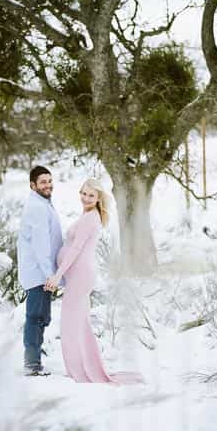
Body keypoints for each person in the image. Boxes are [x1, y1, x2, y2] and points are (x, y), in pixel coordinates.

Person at [45, 179, 143, 385]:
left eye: (91, 195)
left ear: (98, 198)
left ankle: (79, 371)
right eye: (83, 193)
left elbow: (75, 249)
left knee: (71, 324)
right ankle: (83, 368)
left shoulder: (90, 218)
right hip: (80, 274)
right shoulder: (88, 215)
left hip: (81, 275)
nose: (86, 198)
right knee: (80, 323)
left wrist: (57, 275)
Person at [17, 164, 63, 377]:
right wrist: (49, 275)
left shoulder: (43, 203)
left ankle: (35, 360)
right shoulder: (36, 207)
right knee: (35, 317)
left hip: (42, 273)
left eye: (49, 181)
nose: (48, 185)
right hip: (38, 273)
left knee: (41, 317)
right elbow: (40, 245)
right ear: (32, 185)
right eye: (43, 182)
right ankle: (31, 364)